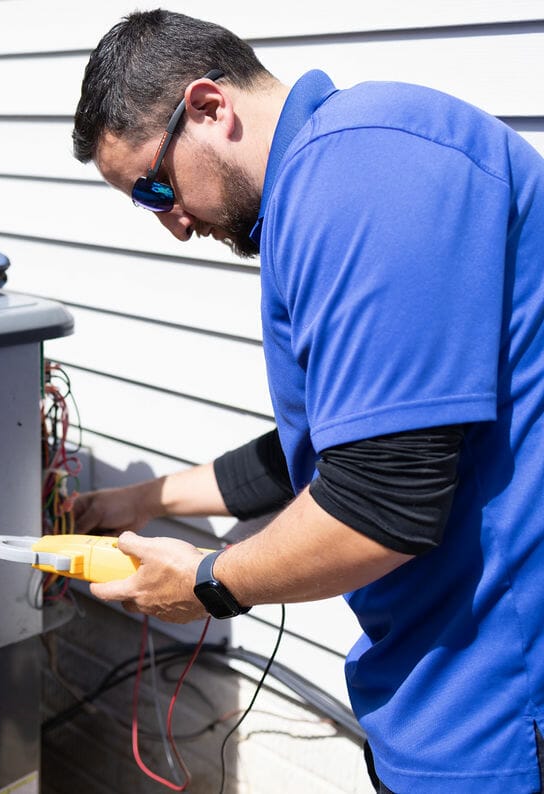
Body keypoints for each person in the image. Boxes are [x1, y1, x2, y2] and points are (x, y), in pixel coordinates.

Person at [70, 9, 544, 794]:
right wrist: (136, 498)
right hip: (444, 681)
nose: (172, 226)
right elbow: (333, 448)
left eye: (155, 187)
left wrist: (210, 582)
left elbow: (383, 502)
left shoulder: (364, 173)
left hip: (500, 695)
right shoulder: (329, 175)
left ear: (208, 107)